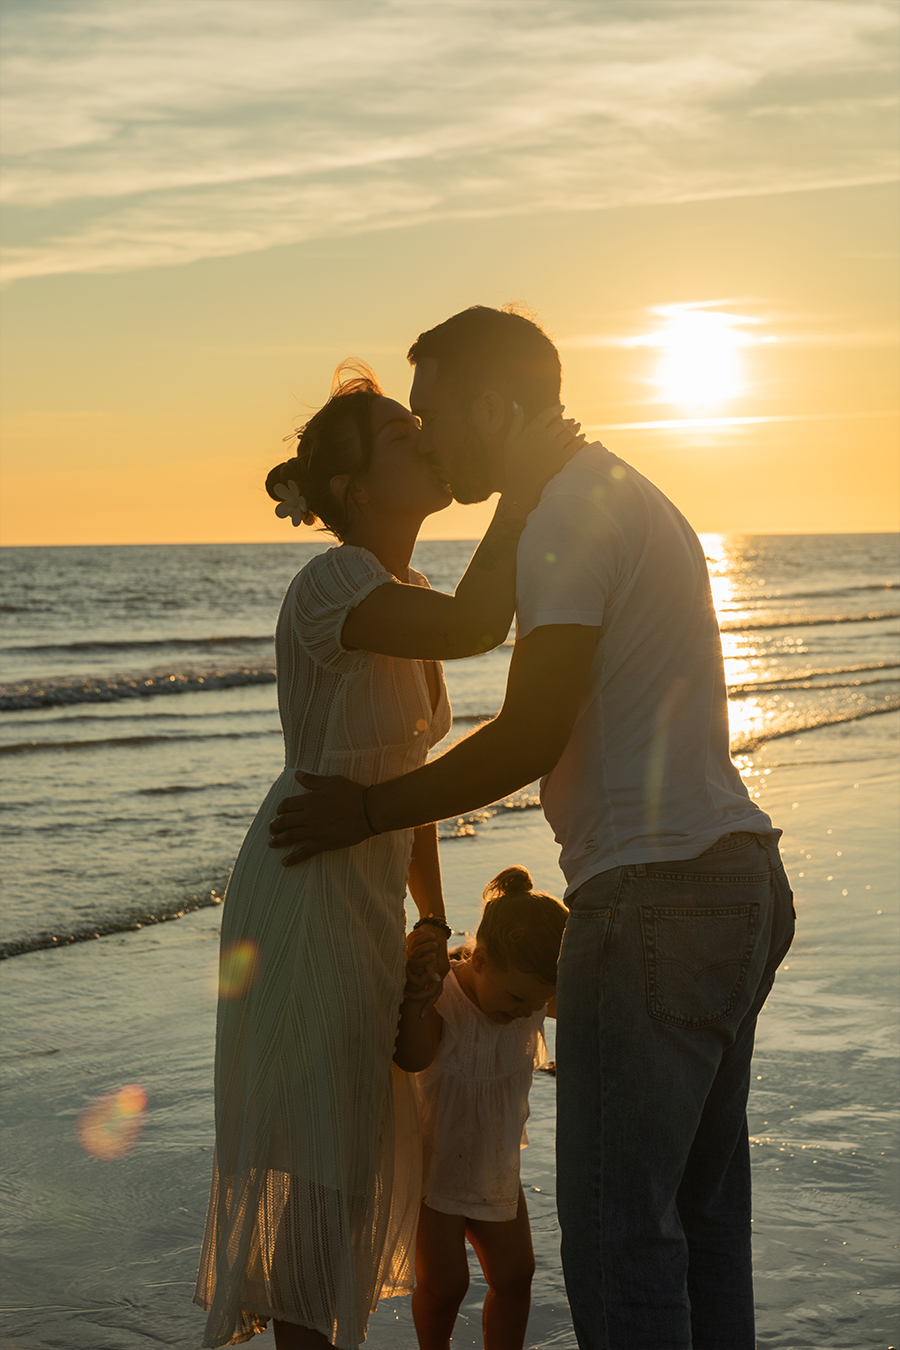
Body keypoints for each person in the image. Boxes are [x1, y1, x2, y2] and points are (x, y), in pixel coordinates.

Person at [268, 306, 797, 1349]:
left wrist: (371, 811)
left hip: (655, 901)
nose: (429, 435)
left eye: (434, 414)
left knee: (618, 1240)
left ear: (494, 407)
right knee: (701, 1224)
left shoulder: (568, 513)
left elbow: (526, 733)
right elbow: (481, 628)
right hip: (738, 883)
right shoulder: (610, 494)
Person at [194, 360, 583, 1349]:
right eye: (403, 438)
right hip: (308, 889)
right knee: (324, 1163)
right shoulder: (337, 581)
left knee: (355, 1159)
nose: (426, 440)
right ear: (354, 490)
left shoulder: (400, 586)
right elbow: (476, 624)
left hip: (366, 897)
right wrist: (531, 477)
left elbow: (403, 784)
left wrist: (435, 918)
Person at [394, 865, 567, 1350]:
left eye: (536, 1002)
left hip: (494, 1164)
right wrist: (414, 1004)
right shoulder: (443, 997)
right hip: (432, 1169)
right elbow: (412, 1056)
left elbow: (588, 996)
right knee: (445, 1284)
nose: (524, 1011)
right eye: (517, 998)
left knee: (516, 1273)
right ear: (481, 958)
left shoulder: (527, 995)